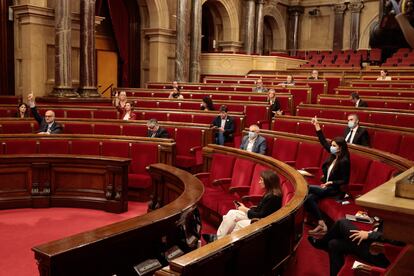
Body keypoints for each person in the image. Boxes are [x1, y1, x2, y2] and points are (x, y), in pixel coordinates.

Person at [203, 170, 282, 243]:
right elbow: (259, 209)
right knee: (232, 213)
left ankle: (227, 244)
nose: (259, 182)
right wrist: (245, 208)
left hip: (261, 223)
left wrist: (246, 210)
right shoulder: (269, 193)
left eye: (261, 180)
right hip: (256, 217)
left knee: (240, 223)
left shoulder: (273, 197)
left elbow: (262, 216)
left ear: (268, 182)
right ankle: (218, 239)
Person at [305, 116, 350, 235]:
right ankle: (322, 225)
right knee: (308, 198)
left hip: (334, 190)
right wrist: (317, 126)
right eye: (332, 145)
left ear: (340, 148)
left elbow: (345, 180)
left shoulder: (344, 161)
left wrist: (331, 183)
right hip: (325, 187)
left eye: (334, 146)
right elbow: (323, 142)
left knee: (305, 188)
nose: (332, 147)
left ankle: (320, 224)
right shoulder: (332, 156)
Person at [308, 219, 390, 276]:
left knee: (342, 223)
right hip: (376, 243)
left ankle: (321, 243)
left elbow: (397, 239)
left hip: (380, 251)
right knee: (333, 244)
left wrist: (370, 235)